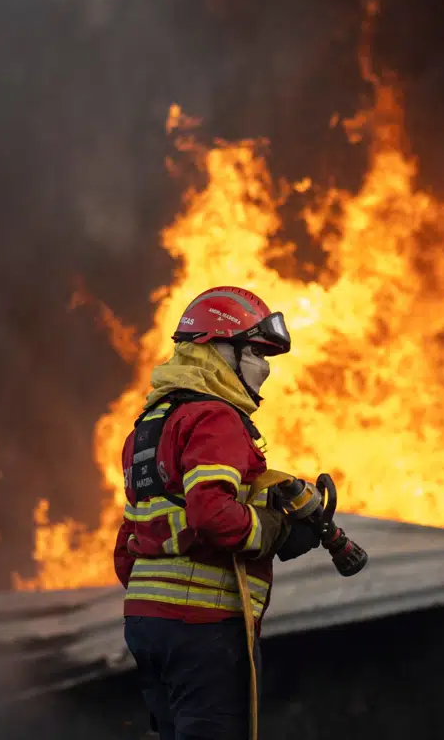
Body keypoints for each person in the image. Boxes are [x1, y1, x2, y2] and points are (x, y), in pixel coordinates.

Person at [114, 286, 321, 740]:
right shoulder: (215, 419)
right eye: (256, 353)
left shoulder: (147, 427)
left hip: (146, 625)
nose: (264, 368)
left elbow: (127, 546)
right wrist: (274, 530)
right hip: (204, 628)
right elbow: (212, 514)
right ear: (218, 350)